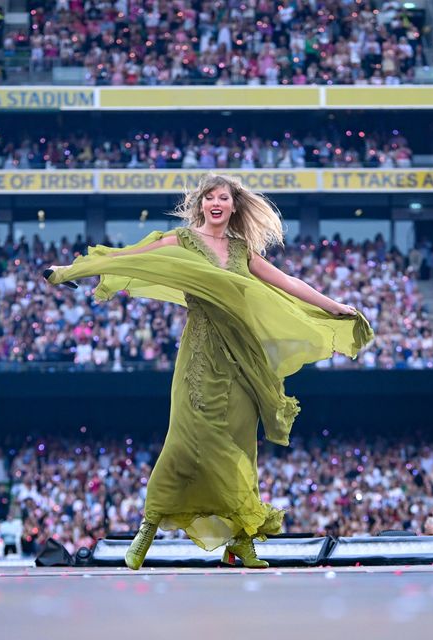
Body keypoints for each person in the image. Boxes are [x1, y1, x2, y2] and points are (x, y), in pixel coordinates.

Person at [43, 174, 373, 569]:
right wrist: (68, 271)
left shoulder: (242, 250)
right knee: (184, 444)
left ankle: (241, 542)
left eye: (224, 198)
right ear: (201, 204)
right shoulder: (181, 242)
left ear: (234, 206)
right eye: (210, 197)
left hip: (242, 358)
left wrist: (335, 305)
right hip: (200, 354)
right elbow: (130, 257)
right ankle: (146, 531)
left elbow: (287, 282)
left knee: (241, 447)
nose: (217, 203)